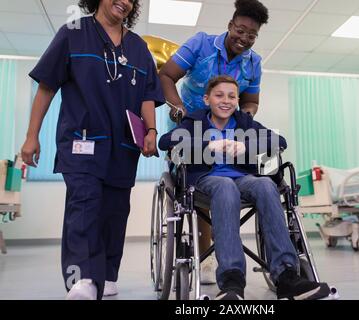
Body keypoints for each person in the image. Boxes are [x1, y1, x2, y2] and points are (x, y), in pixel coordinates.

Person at [21, 0, 164, 300]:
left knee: (115, 211)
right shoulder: (73, 33)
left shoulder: (138, 47)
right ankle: (82, 278)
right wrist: (32, 136)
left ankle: (108, 275)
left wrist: (151, 130)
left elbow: (148, 96)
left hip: (124, 147)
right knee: (84, 206)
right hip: (80, 141)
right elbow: (47, 86)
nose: (124, 1)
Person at [159, 75, 331, 300]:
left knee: (266, 184)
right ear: (207, 98)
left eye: (232, 96)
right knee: (225, 186)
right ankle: (232, 280)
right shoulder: (195, 122)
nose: (226, 101)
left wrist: (245, 145)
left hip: (242, 179)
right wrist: (208, 145)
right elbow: (166, 141)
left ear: (237, 100)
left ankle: (287, 276)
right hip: (207, 180)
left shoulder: (243, 122)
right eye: (219, 95)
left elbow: (279, 141)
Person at [159, 0, 269, 283]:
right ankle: (208, 255)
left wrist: (242, 120)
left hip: (228, 131)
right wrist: (179, 110)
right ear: (230, 25)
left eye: (252, 35)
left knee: (237, 180)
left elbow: (251, 101)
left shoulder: (254, 63)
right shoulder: (201, 45)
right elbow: (167, 76)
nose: (244, 38)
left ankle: (227, 258)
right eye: (240, 30)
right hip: (191, 126)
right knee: (202, 184)